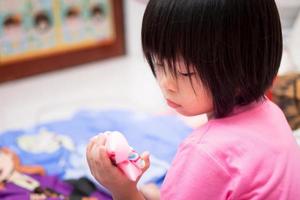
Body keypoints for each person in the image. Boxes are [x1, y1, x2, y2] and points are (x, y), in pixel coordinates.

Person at [86, 0, 300, 199]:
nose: (166, 83)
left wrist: (123, 189)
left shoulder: (204, 152)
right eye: (158, 63)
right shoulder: (272, 113)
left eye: (185, 72)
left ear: (241, 66)